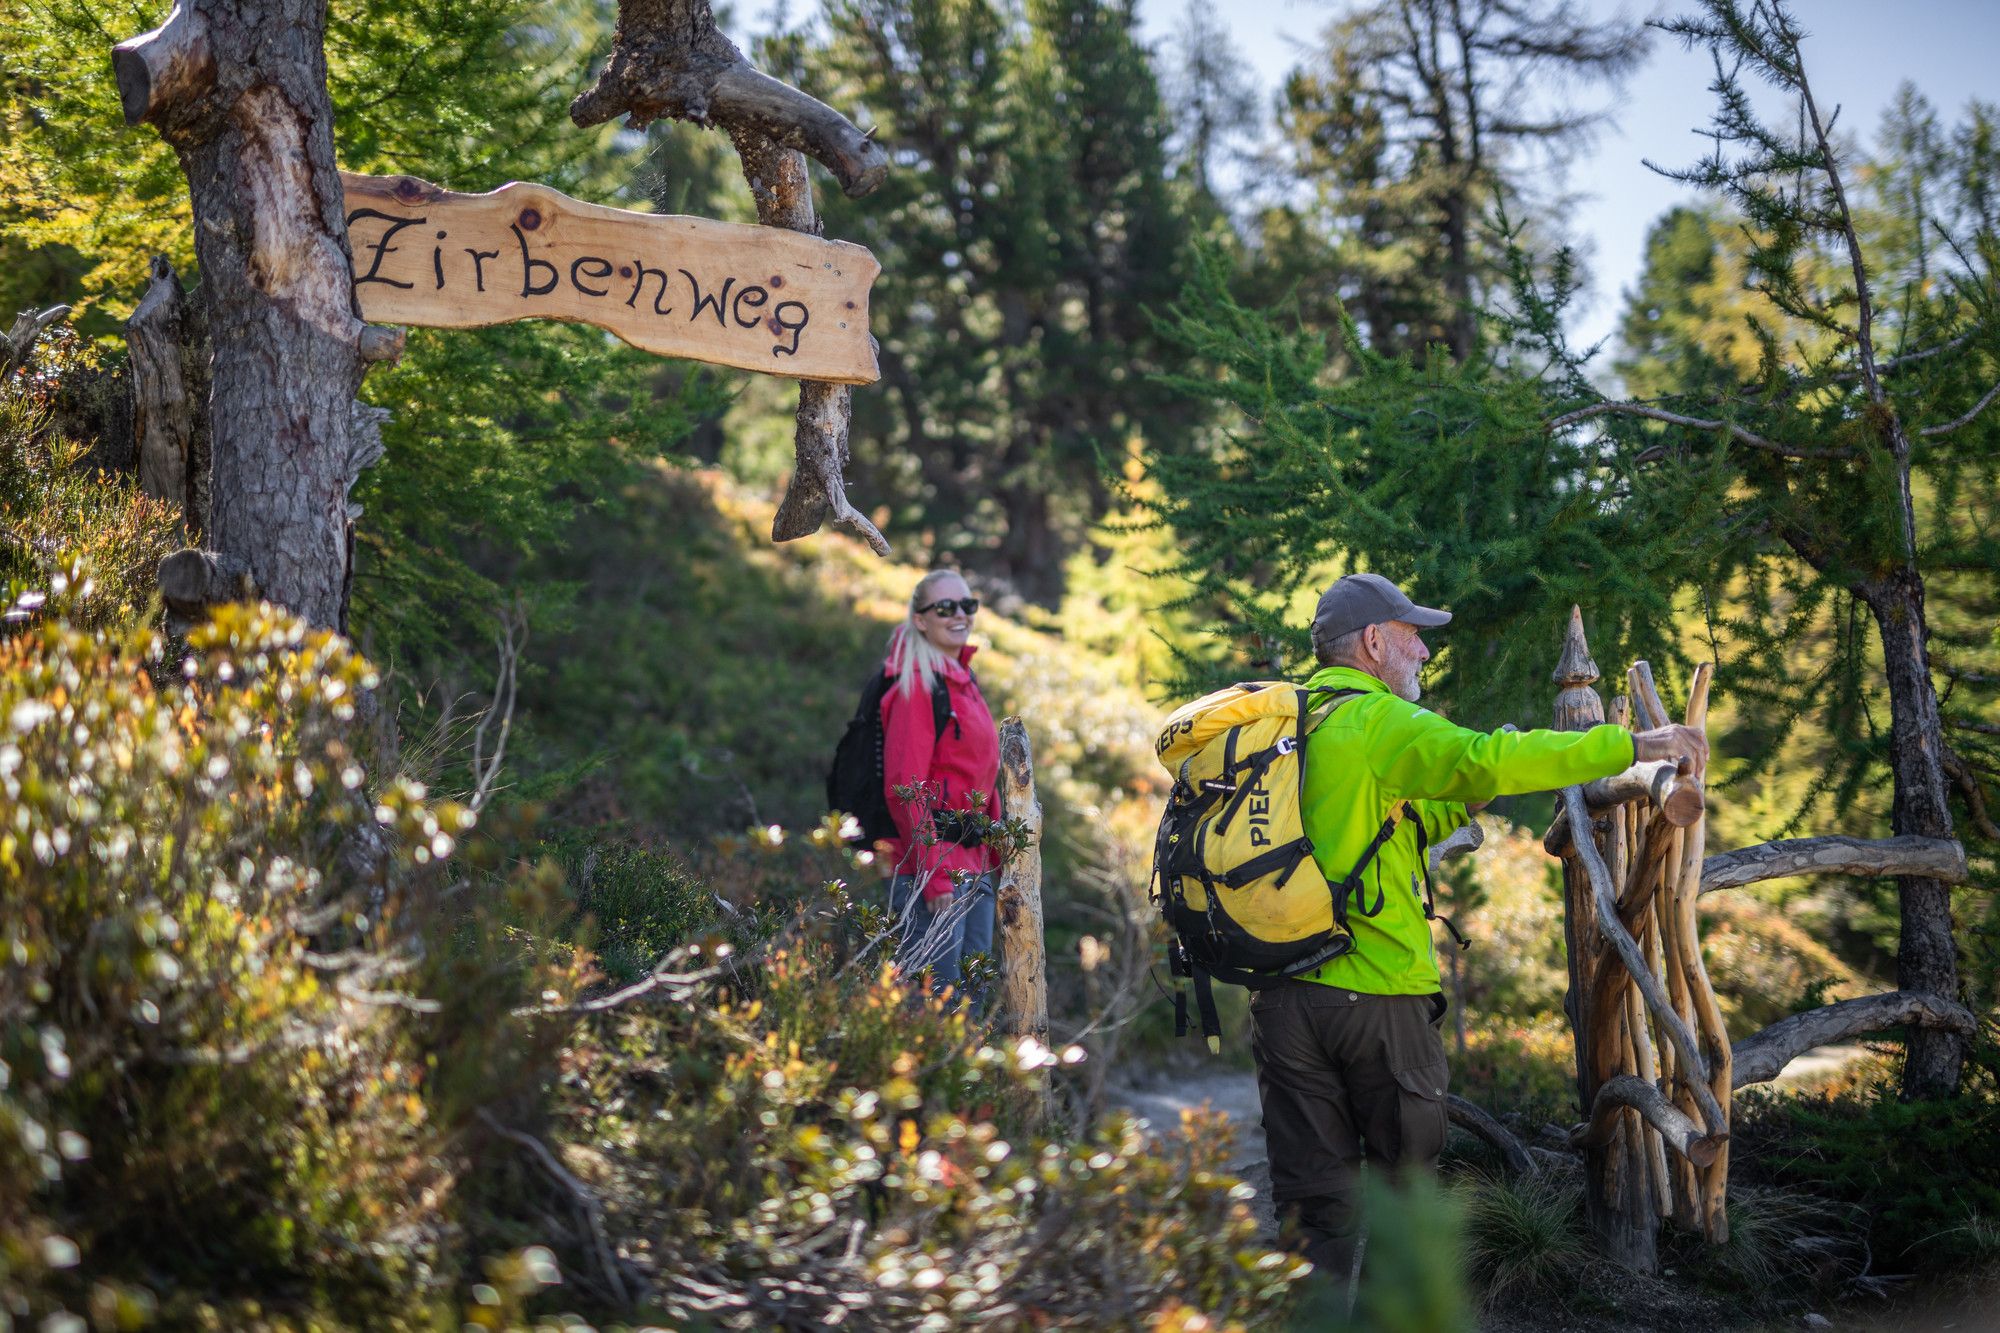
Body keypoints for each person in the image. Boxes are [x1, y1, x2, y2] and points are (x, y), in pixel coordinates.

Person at [1257, 572, 1709, 1281]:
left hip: (1281, 1000)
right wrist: (1631, 746)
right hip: (1375, 993)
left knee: (1313, 1212)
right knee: (1406, 1203)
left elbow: (1372, 825)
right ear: (1373, 642)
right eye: (1412, 638)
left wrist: (1454, 804)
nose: (1424, 654)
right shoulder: (1378, 722)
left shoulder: (1289, 727)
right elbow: (1486, 756)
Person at [879, 569, 1001, 1008]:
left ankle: (966, 1080)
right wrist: (933, 877)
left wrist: (998, 861)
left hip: (974, 869)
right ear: (920, 619)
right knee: (933, 1007)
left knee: (970, 1004)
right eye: (945, 608)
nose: (959, 615)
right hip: (932, 871)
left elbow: (986, 780)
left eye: (967, 606)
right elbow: (903, 789)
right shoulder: (917, 688)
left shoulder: (965, 684)